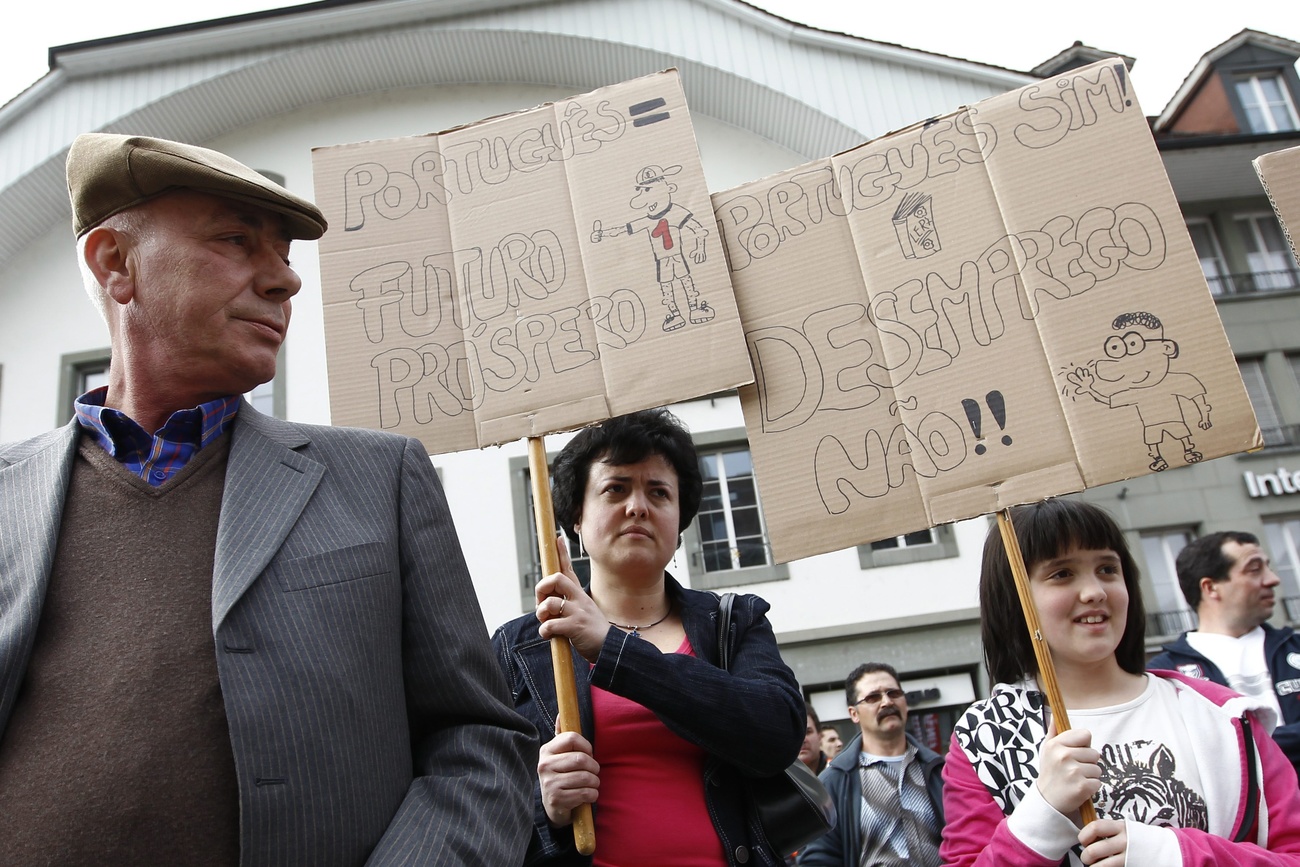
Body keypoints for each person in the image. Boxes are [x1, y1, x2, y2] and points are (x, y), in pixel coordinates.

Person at [0, 133, 537, 865]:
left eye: (284, 254)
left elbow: (480, 741)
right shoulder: (7, 496)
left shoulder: (380, 478)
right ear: (115, 262)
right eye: (236, 240)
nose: (285, 280)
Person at [492, 408, 804, 866]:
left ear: (679, 525)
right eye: (615, 489)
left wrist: (614, 651)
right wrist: (547, 809)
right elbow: (481, 804)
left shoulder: (734, 622)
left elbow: (776, 735)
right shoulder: (523, 647)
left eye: (659, 492)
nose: (637, 506)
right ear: (576, 517)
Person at [941, 499, 1300, 867]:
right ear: (1014, 598)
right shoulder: (983, 736)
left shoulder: (1220, 713)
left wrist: (1175, 854)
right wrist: (1041, 817)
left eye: (1108, 569)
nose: (1095, 590)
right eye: (1062, 573)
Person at [1148, 531, 1300, 776]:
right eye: (1254, 569)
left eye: (1268, 568)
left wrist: (1240, 745)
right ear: (1211, 587)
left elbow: (1219, 752)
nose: (1272, 580)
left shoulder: (1295, 648)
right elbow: (1183, 758)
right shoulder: (1164, 676)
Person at [799, 662, 944, 867]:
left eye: (893, 693)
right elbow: (819, 859)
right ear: (854, 714)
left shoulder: (939, 771)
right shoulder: (835, 783)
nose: (886, 702)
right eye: (873, 697)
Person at [800, 704, 828, 774]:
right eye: (796, 734)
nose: (803, 740)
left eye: (808, 732)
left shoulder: (838, 774)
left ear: (820, 736)